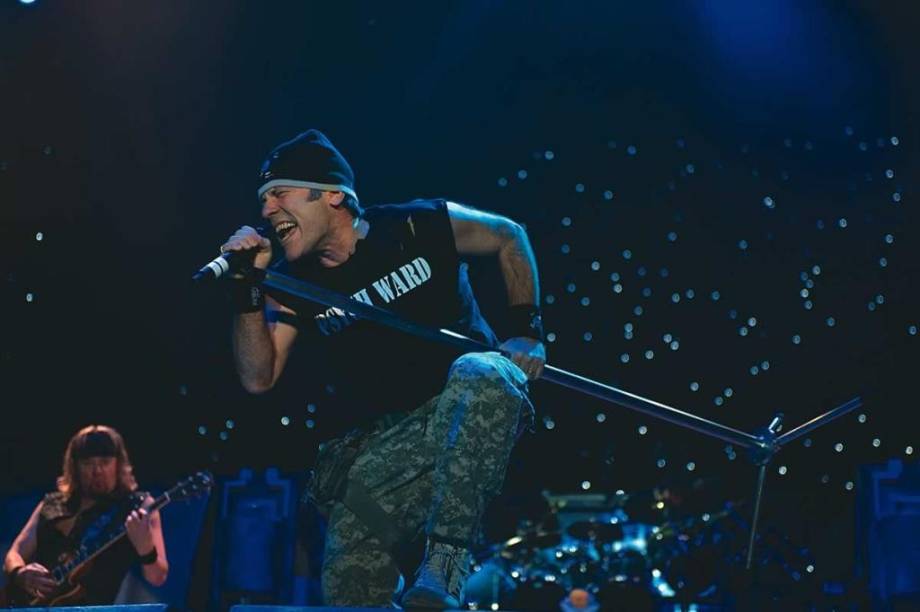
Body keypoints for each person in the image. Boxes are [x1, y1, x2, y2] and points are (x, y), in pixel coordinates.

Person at [222, 129, 545, 607]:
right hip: (395, 444)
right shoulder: (292, 283)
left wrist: (527, 330)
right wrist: (247, 286)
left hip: (471, 408)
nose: (267, 210)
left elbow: (508, 235)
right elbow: (257, 377)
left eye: (279, 193)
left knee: (480, 369)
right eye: (263, 200)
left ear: (332, 195)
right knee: (350, 587)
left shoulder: (418, 225)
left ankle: (446, 562)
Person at [3, 425, 169, 605]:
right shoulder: (51, 504)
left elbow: (157, 577)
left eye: (105, 462)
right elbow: (14, 553)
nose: (97, 471)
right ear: (75, 467)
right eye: (88, 464)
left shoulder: (139, 506)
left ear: (118, 465)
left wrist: (146, 549)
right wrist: (20, 573)